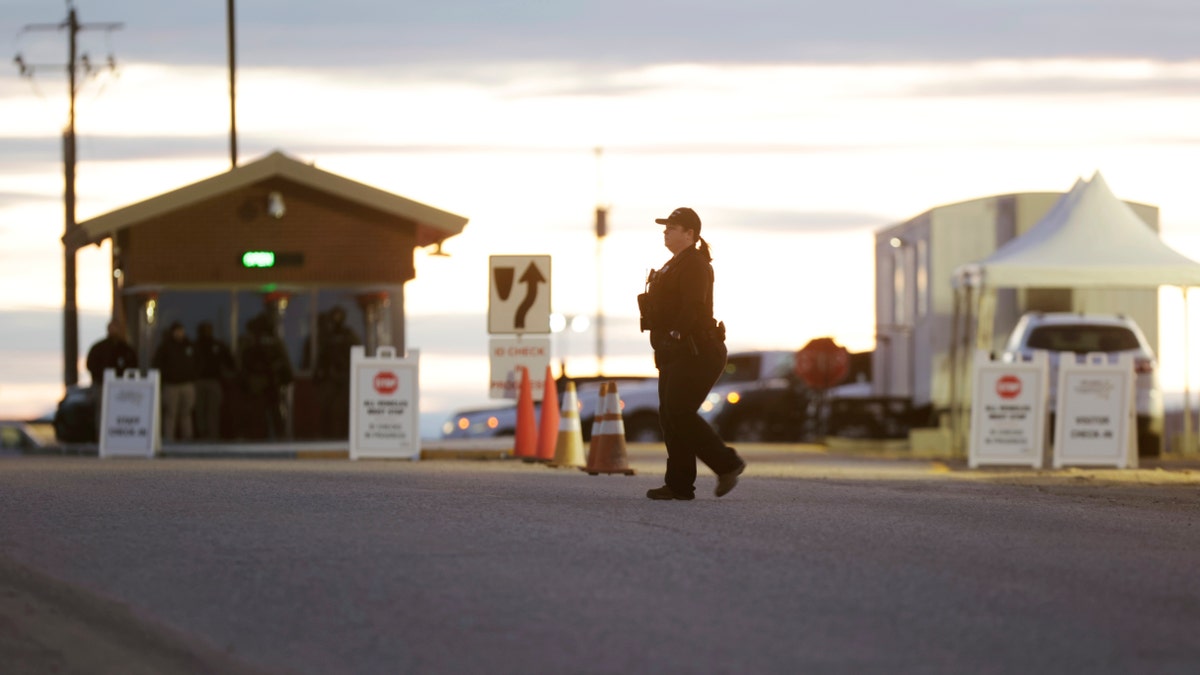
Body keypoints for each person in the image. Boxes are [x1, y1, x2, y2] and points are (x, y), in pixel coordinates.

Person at [639, 207, 746, 500]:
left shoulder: (695, 265)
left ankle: (727, 463)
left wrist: (675, 335)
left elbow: (694, 307)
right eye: (666, 227)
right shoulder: (674, 264)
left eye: (673, 227)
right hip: (675, 352)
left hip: (698, 351)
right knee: (669, 416)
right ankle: (679, 485)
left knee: (679, 412)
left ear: (690, 234)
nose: (666, 231)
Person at [239, 313, 293, 440]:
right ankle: (273, 436)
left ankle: (262, 436)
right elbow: (284, 359)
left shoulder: (251, 339)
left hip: (262, 380)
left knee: (263, 410)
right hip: (266, 380)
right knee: (268, 410)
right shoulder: (265, 340)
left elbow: (241, 361)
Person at [85, 320, 139, 439]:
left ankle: (119, 436)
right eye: (112, 328)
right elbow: (90, 364)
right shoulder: (99, 347)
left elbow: (133, 365)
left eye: (116, 328)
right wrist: (101, 376)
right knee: (102, 410)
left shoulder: (126, 348)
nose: (114, 330)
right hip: (102, 385)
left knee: (120, 411)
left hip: (122, 387)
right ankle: (101, 437)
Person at [313, 305, 361, 439]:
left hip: (345, 378)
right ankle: (326, 435)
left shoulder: (349, 335)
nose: (336, 320)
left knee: (343, 408)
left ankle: (344, 435)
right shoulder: (327, 336)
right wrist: (318, 374)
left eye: (338, 316)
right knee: (326, 407)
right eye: (334, 316)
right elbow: (321, 357)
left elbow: (358, 354)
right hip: (329, 378)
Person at [152, 321, 198, 442]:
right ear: (172, 332)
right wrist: (165, 378)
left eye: (181, 330)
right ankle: (169, 438)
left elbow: (198, 363)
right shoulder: (165, 347)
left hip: (187, 384)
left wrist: (193, 376)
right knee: (170, 413)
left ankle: (187, 438)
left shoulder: (189, 346)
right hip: (171, 385)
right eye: (177, 331)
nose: (180, 333)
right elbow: (157, 364)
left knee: (186, 413)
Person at [193, 321, 235, 440]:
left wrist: (228, 373)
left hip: (214, 381)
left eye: (208, 329)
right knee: (200, 410)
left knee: (213, 410)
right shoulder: (195, 345)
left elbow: (229, 361)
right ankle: (202, 435)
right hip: (199, 381)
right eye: (204, 329)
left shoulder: (217, 345)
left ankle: (213, 436)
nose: (207, 332)